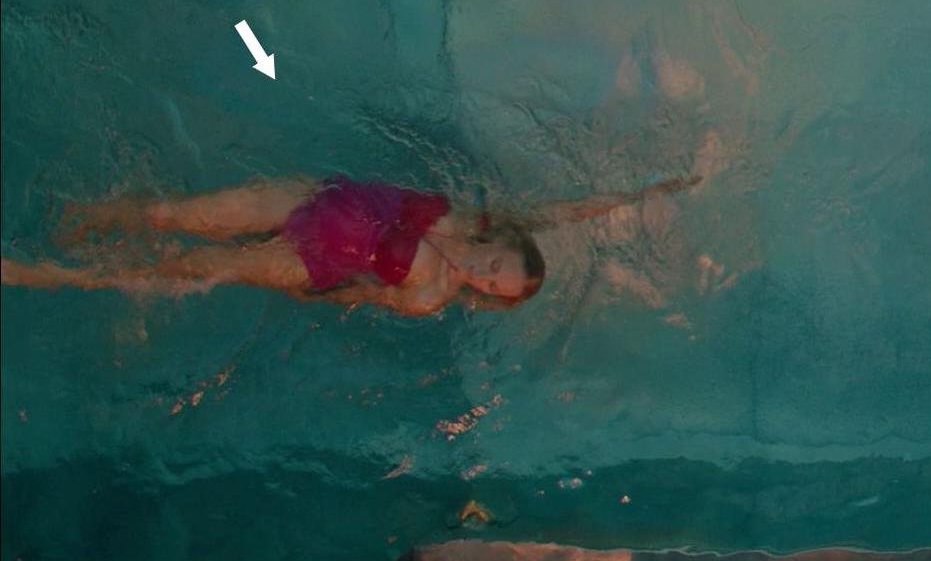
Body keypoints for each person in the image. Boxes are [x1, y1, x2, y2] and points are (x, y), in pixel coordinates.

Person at [0, 173, 701, 314]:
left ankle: (39, 274)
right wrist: (647, 193)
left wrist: (311, 291)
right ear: (502, 240)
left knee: (183, 268)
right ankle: (83, 214)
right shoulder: (474, 219)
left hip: (307, 258)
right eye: (496, 265)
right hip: (311, 198)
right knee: (165, 214)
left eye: (491, 285)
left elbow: (358, 294)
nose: (482, 274)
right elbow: (565, 210)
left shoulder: (430, 296)